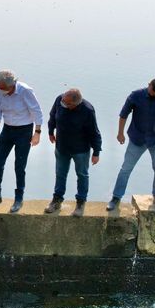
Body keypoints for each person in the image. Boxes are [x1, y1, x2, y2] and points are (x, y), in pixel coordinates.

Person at [107, 78, 155, 212]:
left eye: (153, 93)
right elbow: (123, 114)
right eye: (149, 89)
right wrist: (120, 133)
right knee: (125, 169)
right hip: (137, 138)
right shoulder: (136, 95)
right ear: (149, 85)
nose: (150, 93)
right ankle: (115, 198)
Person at [0, 69, 44, 213]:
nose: (1, 91)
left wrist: (37, 133)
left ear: (12, 85)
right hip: (8, 129)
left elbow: (37, 111)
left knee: (19, 165)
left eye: (3, 88)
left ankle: (18, 198)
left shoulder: (25, 91)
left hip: (24, 130)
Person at [45, 88, 102, 217]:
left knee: (82, 175)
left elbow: (94, 132)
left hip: (80, 150)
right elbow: (52, 116)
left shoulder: (87, 110)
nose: (63, 104)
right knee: (60, 174)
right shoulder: (60, 100)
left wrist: (96, 152)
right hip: (62, 147)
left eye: (66, 103)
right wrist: (50, 131)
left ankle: (80, 203)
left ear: (75, 104)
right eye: (63, 101)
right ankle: (57, 200)